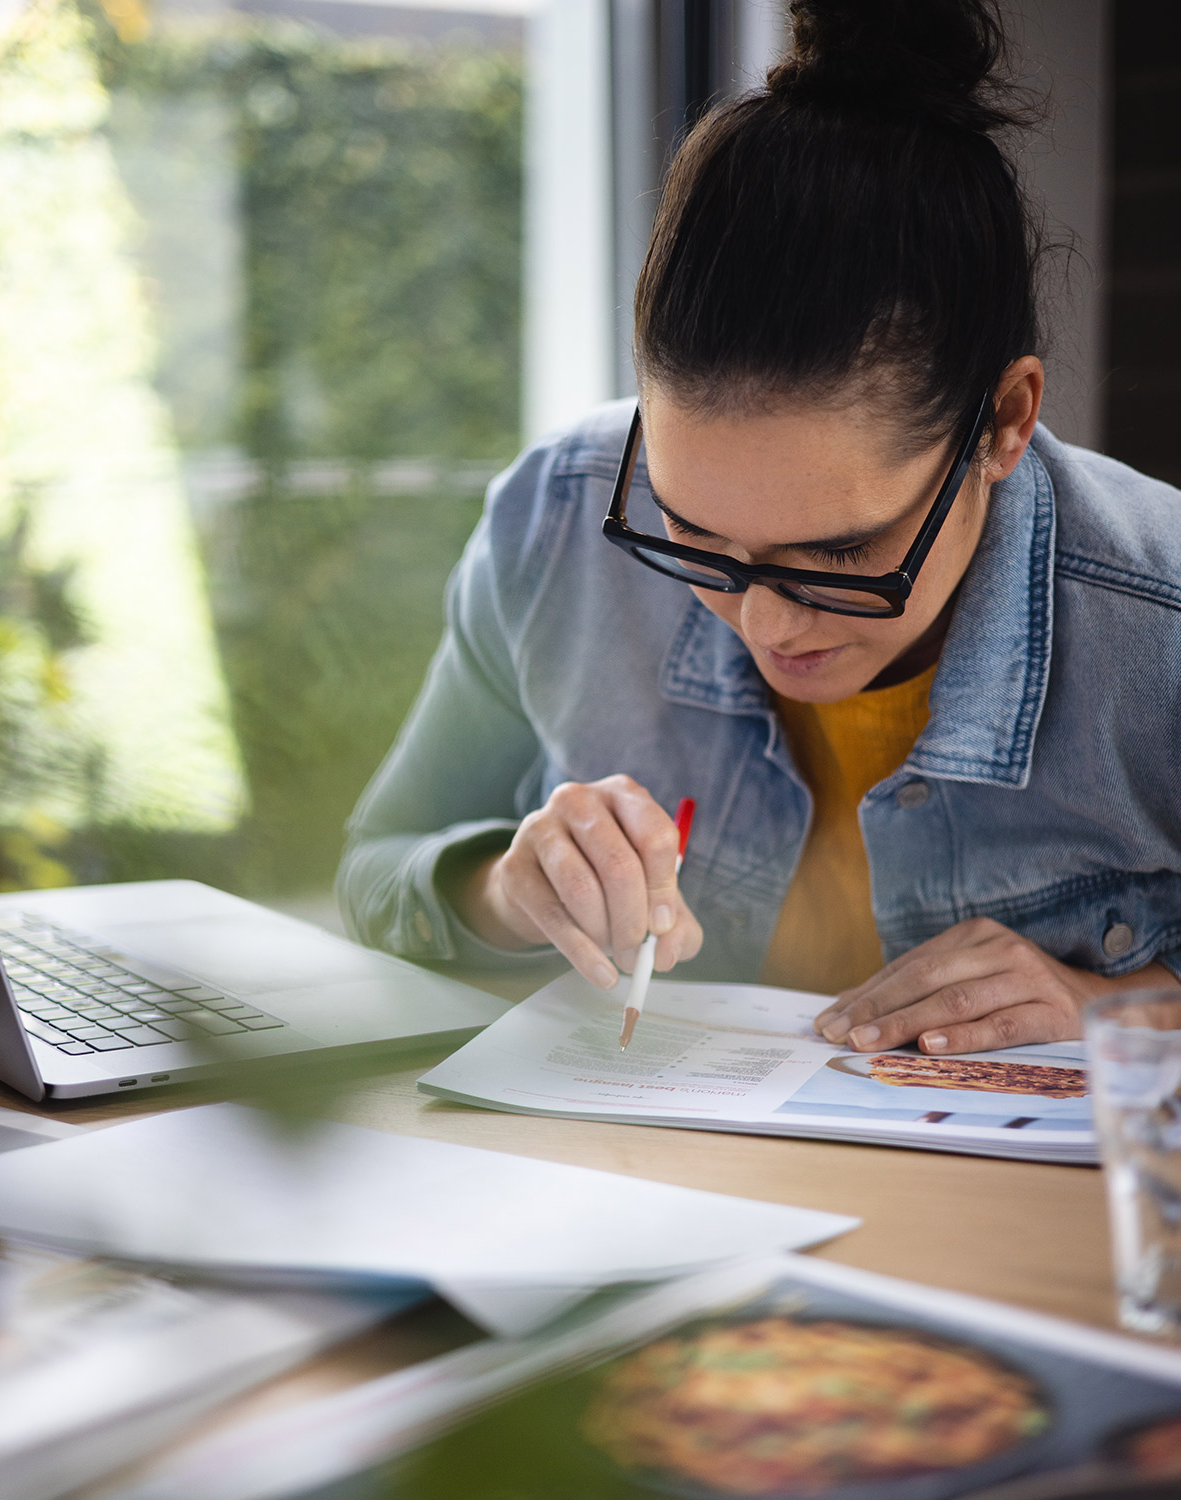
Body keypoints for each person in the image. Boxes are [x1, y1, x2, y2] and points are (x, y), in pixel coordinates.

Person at [337, 0, 1181, 1057]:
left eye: (839, 554)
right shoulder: (559, 517)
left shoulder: (1160, 623)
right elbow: (377, 863)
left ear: (1005, 421)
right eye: (691, 534)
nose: (766, 621)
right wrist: (503, 886)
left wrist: (1124, 1005)